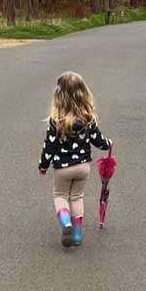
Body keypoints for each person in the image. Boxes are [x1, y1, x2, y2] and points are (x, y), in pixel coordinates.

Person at [37, 71, 112, 248]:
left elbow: (49, 146)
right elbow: (99, 141)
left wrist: (43, 165)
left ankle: (66, 224)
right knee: (77, 197)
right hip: (83, 167)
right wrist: (108, 144)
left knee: (61, 195)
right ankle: (77, 235)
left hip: (63, 168)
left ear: (59, 96)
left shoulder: (57, 121)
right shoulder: (88, 118)